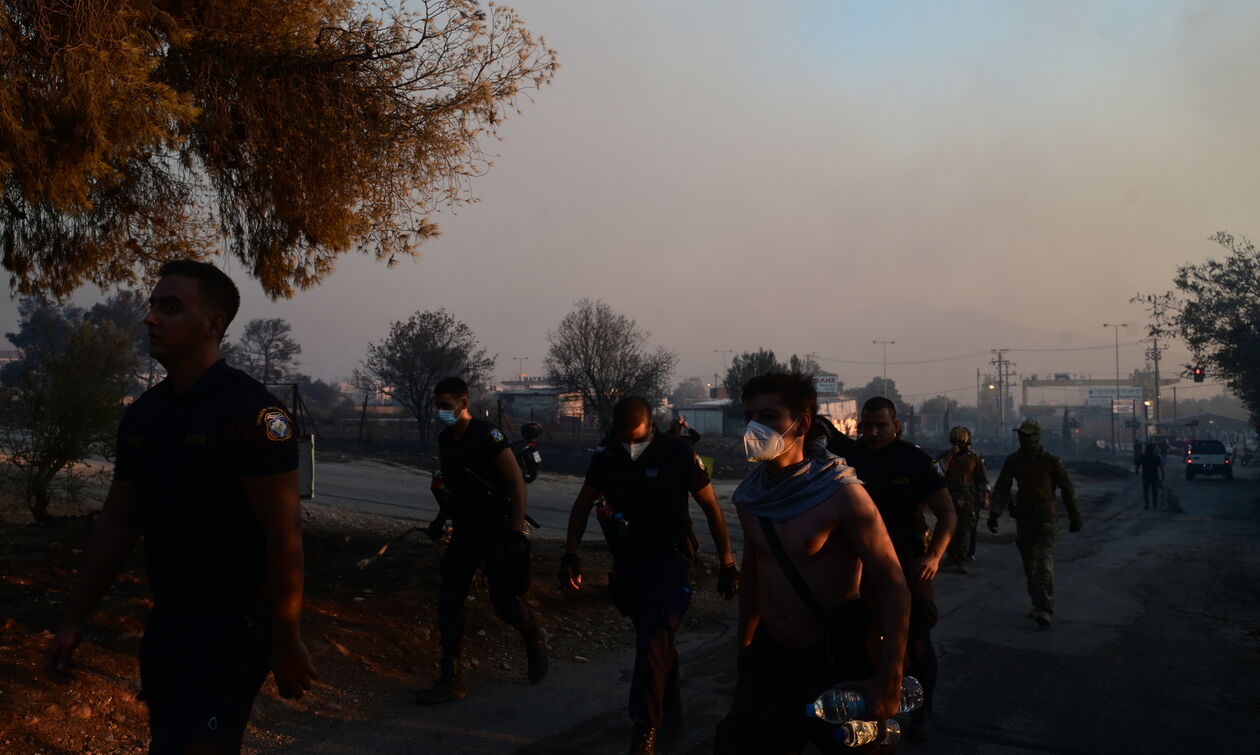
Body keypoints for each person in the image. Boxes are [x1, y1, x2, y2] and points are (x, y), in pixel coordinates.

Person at [46, 260, 318, 753]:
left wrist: (286, 635)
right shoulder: (145, 415)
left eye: (169, 308)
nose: (150, 318)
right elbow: (116, 523)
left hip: (233, 628)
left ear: (213, 324)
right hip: (169, 620)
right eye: (152, 305)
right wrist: (73, 619)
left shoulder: (253, 416)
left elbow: (285, 536)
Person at [714, 374, 910, 754]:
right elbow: (755, 575)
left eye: (768, 415)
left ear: (801, 423)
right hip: (771, 658)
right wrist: (746, 648)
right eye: (750, 416)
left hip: (834, 659)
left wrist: (890, 678)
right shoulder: (751, 496)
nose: (755, 427)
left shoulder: (841, 493)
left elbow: (893, 585)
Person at [560, 397, 738, 754]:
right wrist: (571, 554)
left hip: (671, 562)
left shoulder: (677, 453)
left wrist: (728, 563)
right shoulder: (608, 455)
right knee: (654, 644)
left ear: (652, 427)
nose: (630, 446)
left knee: (654, 639)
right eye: (624, 438)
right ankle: (670, 711)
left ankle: (645, 730)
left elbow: (712, 509)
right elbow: (582, 504)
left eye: (636, 439)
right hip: (629, 564)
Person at [417, 376, 547, 704]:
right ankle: (451, 678)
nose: (440, 412)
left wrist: (516, 533)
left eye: (446, 406)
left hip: (498, 529)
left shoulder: (488, 436)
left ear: (464, 403)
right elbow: (454, 488)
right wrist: (439, 520)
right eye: (438, 406)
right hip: (466, 530)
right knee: (449, 601)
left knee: (504, 603)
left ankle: (533, 635)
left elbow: (517, 484)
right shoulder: (446, 439)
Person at [844, 396, 955, 742]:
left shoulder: (916, 460)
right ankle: (867, 711)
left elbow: (948, 514)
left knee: (917, 642)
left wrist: (934, 557)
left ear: (897, 426)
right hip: (860, 563)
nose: (874, 432)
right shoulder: (848, 457)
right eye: (867, 426)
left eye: (881, 425)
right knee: (858, 641)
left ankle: (922, 709)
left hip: (908, 563)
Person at [987, 419, 1083, 628]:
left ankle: (1045, 608)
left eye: (1028, 436)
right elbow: (1002, 488)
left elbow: (1067, 489)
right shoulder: (1014, 461)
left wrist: (1075, 516)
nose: (1024, 440)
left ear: (1037, 436)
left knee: (1043, 562)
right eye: (1022, 436)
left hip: (1046, 518)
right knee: (1029, 564)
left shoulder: (1051, 461)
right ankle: (1037, 603)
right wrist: (994, 513)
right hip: (1024, 519)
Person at [938, 426, 990, 574]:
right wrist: (949, 456)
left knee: (965, 530)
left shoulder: (975, 458)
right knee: (948, 528)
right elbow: (938, 472)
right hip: (949, 496)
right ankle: (951, 555)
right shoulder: (945, 456)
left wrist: (985, 498)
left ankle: (962, 559)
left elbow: (983, 480)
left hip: (969, 497)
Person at [1134, 442, 1165, 509]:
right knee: (1154, 490)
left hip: (1146, 475)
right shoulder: (1156, 456)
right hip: (1154, 475)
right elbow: (1161, 466)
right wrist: (1163, 474)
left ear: (1146, 449)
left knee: (1146, 490)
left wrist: (1136, 471)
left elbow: (1138, 464)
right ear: (1153, 449)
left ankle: (1147, 503)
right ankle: (1155, 504)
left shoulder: (1143, 456)